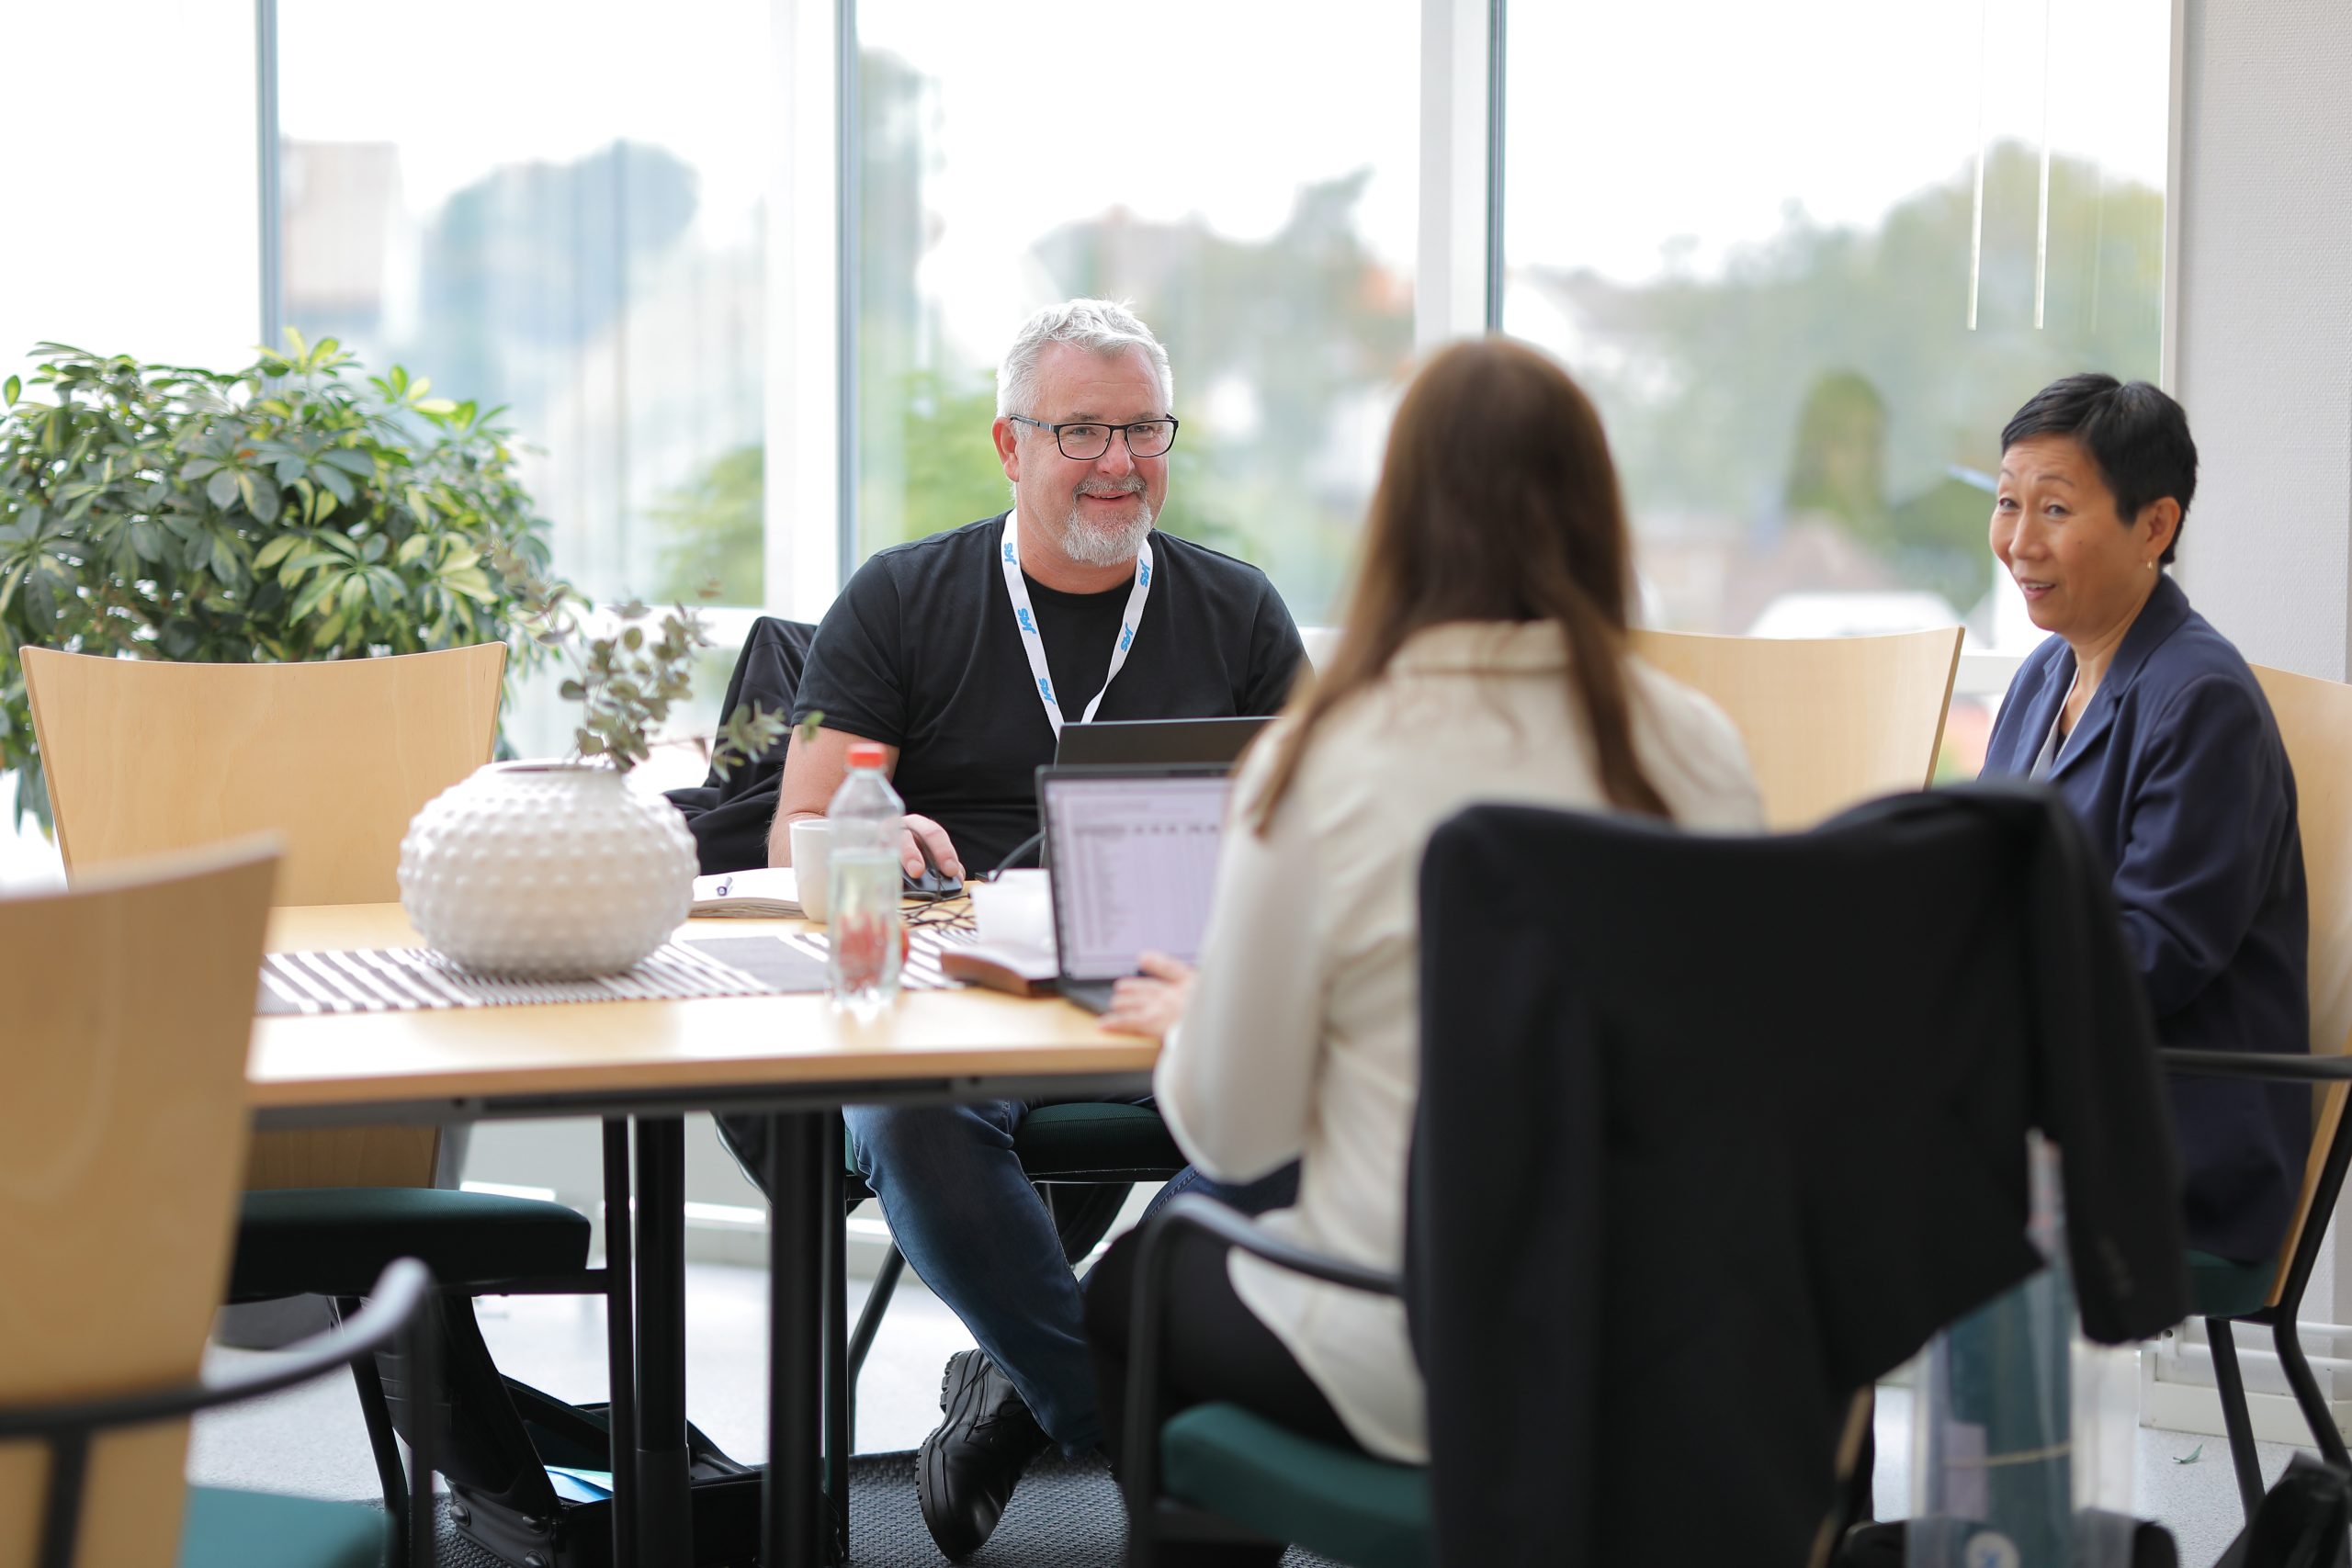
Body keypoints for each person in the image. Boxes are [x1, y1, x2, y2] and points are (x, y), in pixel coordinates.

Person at [1082, 337, 1764, 1497]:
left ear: (1392, 517)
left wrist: (1208, 1019)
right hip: (1664, 1336)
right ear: (1598, 510)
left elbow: (1235, 1138)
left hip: (1411, 1339)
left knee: (1129, 1293)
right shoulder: (1694, 750)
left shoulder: (1325, 757)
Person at [762, 299, 1306, 1559]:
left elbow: (1318, 836)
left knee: (1308, 1107)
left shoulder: (1237, 610)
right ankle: (1146, 1435)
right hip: (957, 987)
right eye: (1082, 431)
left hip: (1161, 979)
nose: (1120, 462)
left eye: (1144, 429)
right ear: (1011, 446)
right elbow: (794, 830)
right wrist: (868, 834)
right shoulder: (900, 598)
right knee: (910, 1113)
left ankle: (1023, 1378)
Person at [1980, 372, 2307, 1266]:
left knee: (1836, 1189)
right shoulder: (2041, 679)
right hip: (2056, 1109)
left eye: (2052, 509)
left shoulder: (2200, 698)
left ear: (2153, 527)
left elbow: (2149, 955)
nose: (2016, 542)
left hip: (2173, 1140)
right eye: (2007, 503)